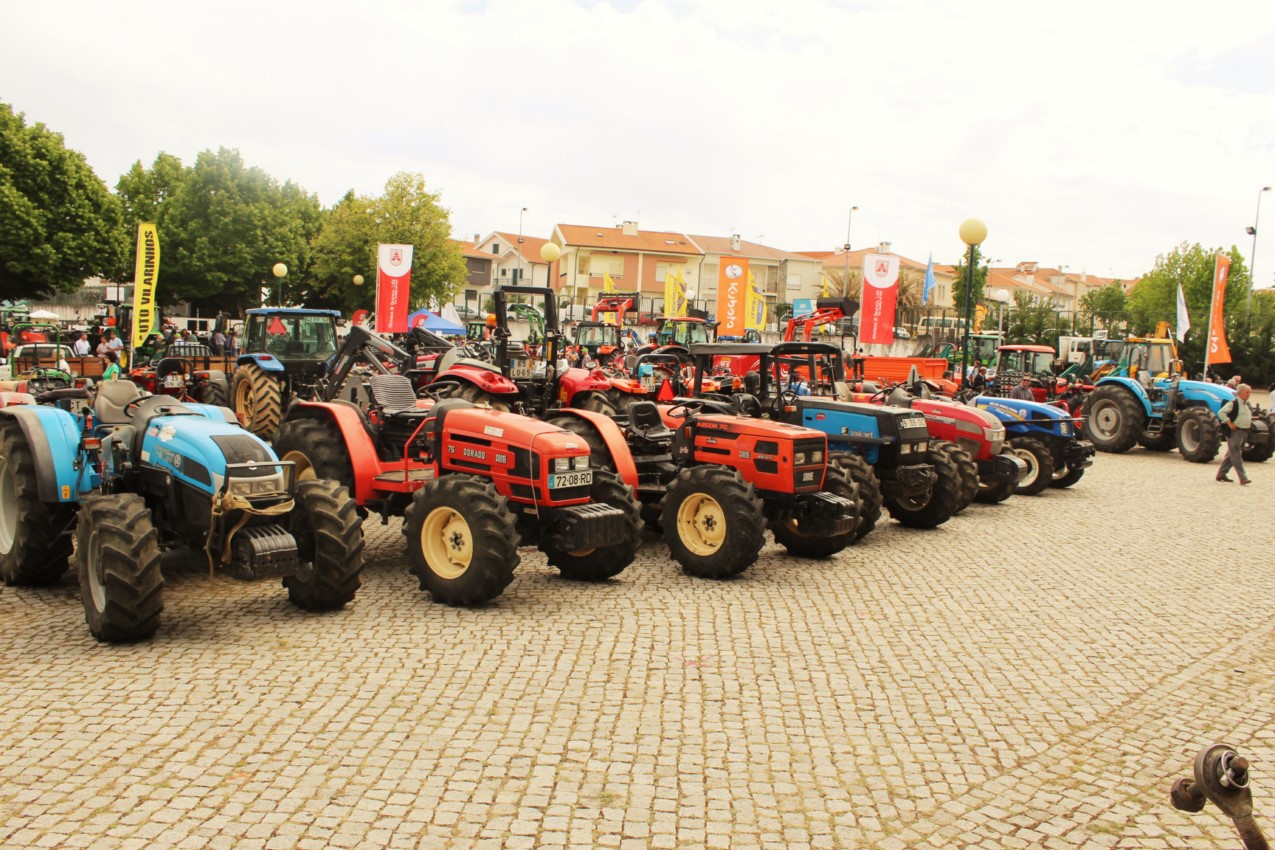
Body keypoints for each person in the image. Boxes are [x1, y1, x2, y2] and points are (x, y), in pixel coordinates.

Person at [1216, 383, 1253, 485]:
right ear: (1240, 393)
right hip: (1235, 432)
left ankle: (1221, 474)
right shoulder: (1233, 403)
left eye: (1250, 392)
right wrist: (1229, 423)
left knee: (1231, 454)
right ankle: (1243, 478)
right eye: (1247, 392)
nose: (1249, 394)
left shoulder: (1246, 403)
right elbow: (1221, 413)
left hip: (1244, 432)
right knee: (1236, 455)